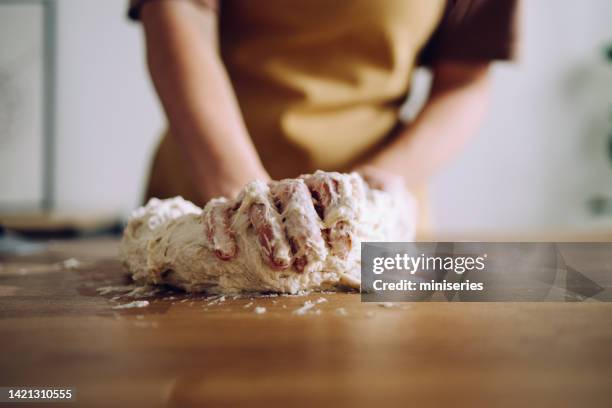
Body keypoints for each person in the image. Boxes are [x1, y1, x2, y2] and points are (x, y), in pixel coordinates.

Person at [128, 0, 519, 236]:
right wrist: (244, 197)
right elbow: (178, 10)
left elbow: (464, 78)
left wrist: (371, 196)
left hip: (373, 220)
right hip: (209, 194)